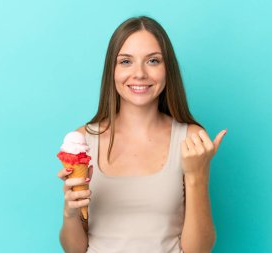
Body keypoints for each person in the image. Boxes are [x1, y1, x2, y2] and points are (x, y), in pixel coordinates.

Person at [57, 16, 227, 253]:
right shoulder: (82, 142)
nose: (139, 74)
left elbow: (199, 250)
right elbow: (74, 250)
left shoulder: (191, 138)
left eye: (153, 61)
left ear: (168, 69)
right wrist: (70, 213)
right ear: (112, 70)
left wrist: (197, 175)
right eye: (126, 61)